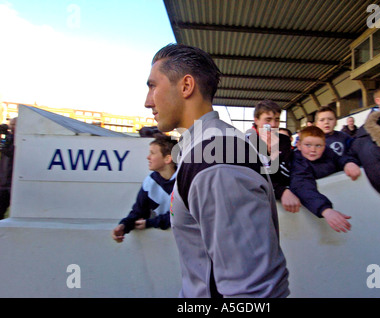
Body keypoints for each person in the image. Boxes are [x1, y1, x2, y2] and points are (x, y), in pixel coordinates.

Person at [145, 43, 289, 298]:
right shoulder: (205, 150)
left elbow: (251, 294)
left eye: (153, 86)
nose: (147, 101)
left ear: (186, 86)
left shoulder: (215, 163)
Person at [290, 126, 361, 233]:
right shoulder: (299, 162)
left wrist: (348, 163)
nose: (313, 149)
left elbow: (340, 158)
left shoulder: (328, 153)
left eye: (318, 145)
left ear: (324, 146)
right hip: (322, 210)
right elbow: (302, 186)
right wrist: (325, 210)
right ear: (299, 145)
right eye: (308, 145)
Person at [111, 134, 177, 242]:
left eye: (152, 153)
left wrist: (150, 223)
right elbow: (139, 211)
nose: (148, 157)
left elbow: (181, 216)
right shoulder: (150, 182)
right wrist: (123, 226)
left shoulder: (186, 181)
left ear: (168, 158)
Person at [246, 100, 301, 213]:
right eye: (268, 120)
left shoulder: (284, 140)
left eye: (277, 119)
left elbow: (286, 174)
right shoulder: (245, 143)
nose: (273, 125)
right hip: (257, 205)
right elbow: (252, 178)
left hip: (285, 204)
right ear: (256, 120)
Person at [0, 118, 16, 219]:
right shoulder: (9, 138)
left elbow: (10, 152)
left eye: (14, 124)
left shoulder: (18, 139)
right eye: (11, 124)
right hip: (4, 180)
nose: (11, 127)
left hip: (12, 181)